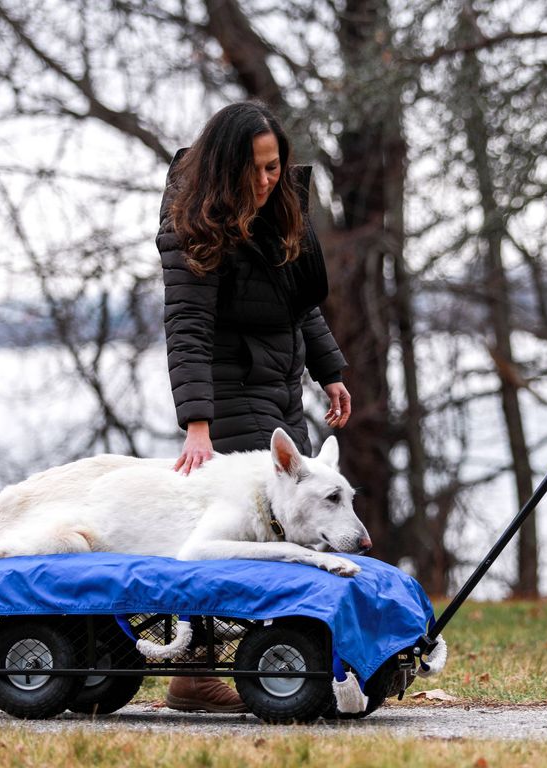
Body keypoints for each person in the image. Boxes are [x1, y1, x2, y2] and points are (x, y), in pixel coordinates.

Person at [156, 102, 351, 712]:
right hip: (229, 398)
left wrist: (331, 371)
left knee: (285, 530)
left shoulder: (275, 214)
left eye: (276, 167)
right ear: (226, 166)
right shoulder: (194, 224)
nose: (269, 181)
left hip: (280, 392)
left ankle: (280, 670)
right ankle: (193, 675)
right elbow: (186, 326)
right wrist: (196, 426)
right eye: (257, 170)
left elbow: (300, 304)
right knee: (238, 541)